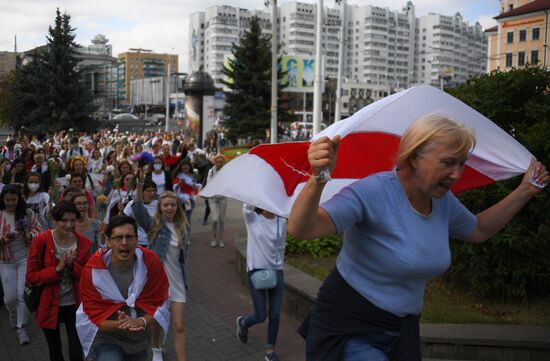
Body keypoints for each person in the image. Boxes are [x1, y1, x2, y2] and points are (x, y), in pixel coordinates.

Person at [287, 114, 549, 361]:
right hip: (349, 326)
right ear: (414, 158)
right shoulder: (374, 191)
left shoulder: (442, 201)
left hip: (401, 332)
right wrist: (318, 178)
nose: (457, 174)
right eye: (448, 162)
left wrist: (525, 190)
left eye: (462, 164)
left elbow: (479, 229)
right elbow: (302, 229)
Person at [76, 215, 170, 361]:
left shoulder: (151, 262)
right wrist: (119, 324)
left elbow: (161, 304)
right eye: (118, 238)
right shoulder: (93, 270)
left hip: (138, 339)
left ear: (137, 240)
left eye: (129, 237)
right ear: (108, 242)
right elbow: (91, 316)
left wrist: (141, 322)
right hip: (107, 338)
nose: (124, 242)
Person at [132, 169, 190, 361]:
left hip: (178, 283)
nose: (169, 208)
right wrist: (140, 184)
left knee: (179, 325)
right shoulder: (155, 226)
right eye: (165, 205)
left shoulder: (183, 228)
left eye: (172, 205)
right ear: (160, 207)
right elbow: (138, 208)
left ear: (177, 207)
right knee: (157, 321)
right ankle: (156, 350)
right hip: (158, 284)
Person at [26, 201, 91, 361]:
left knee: (76, 351)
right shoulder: (41, 241)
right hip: (48, 303)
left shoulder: (82, 242)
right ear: (54, 220)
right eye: (64, 220)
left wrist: (72, 266)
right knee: (55, 350)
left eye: (72, 220)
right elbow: (31, 277)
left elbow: (88, 277)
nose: (69, 225)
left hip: (75, 304)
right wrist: (56, 269)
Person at [237, 204, 286, 361]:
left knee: (275, 315)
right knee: (260, 315)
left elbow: (280, 248)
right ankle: (244, 323)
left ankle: (270, 351)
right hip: (256, 271)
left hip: (276, 271)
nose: (269, 204)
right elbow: (246, 207)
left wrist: (279, 268)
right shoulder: (253, 219)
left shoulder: (281, 222)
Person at [0, 185, 41, 344]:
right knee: (10, 298)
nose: (10, 203)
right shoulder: (0, 214)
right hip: (5, 261)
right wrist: (2, 240)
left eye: (13, 200)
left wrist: (28, 235)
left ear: (19, 199)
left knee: (21, 294)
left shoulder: (27, 213)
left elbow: (39, 231)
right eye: (7, 200)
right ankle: (12, 312)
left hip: (25, 258)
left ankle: (20, 327)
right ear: (3, 199)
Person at [123, 179, 158, 248]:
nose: (152, 193)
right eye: (149, 191)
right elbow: (125, 221)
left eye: (154, 190)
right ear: (142, 192)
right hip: (138, 242)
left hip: (154, 242)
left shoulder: (158, 204)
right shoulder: (132, 204)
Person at [207, 154, 227, 247]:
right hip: (213, 198)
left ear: (224, 162)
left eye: (221, 162)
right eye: (217, 162)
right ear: (215, 162)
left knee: (222, 220)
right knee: (215, 219)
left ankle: (221, 238)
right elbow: (208, 183)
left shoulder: (227, 171)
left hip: (223, 198)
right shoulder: (211, 171)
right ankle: (214, 237)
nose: (219, 164)